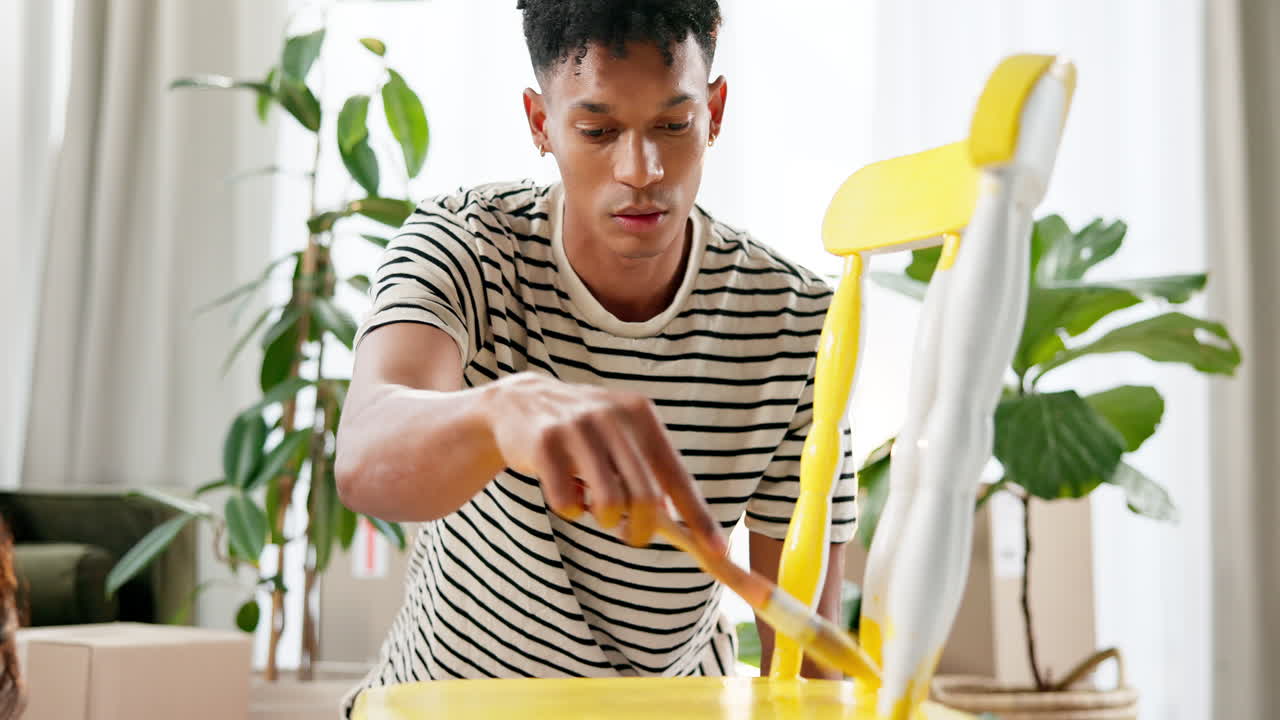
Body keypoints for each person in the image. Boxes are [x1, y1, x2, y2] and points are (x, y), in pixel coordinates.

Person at [335, 0, 857, 709]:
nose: (641, 169)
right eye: (598, 129)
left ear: (716, 109)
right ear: (540, 124)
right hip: (449, 703)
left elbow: (805, 659)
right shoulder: (464, 244)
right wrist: (500, 413)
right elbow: (365, 461)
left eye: (674, 126)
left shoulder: (797, 319)